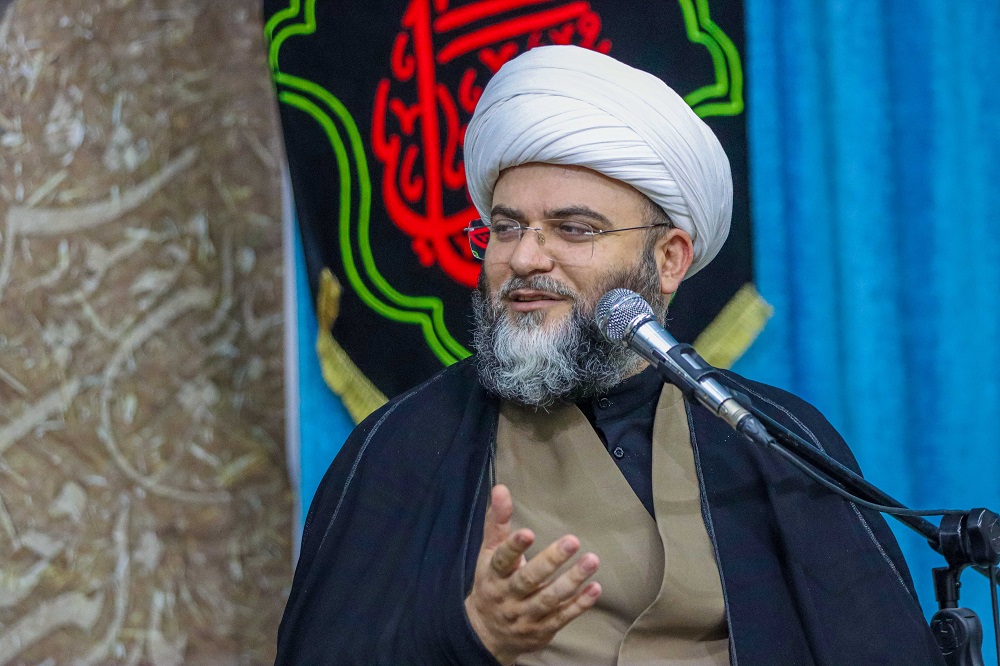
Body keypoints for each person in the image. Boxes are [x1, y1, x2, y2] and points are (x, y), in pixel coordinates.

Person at [275, 46, 944, 665]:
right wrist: (470, 636)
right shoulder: (403, 449)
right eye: (505, 228)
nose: (525, 258)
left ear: (669, 259)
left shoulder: (766, 437)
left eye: (572, 229)